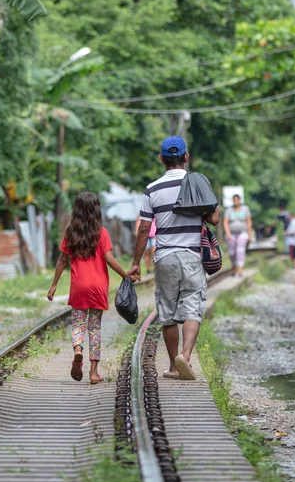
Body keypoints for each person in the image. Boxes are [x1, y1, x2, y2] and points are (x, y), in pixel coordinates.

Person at [130, 136, 219, 381]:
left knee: (167, 313)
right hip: (192, 255)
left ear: (161, 159)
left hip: (165, 257)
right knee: (193, 307)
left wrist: (136, 262)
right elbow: (215, 219)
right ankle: (186, 357)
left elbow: (144, 229)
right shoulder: (197, 183)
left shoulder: (152, 189)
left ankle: (172, 366)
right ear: (186, 157)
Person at [47, 192, 131, 384]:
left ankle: (78, 350)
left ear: (76, 210)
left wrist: (54, 285)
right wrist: (126, 276)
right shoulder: (102, 233)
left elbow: (62, 260)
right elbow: (109, 259)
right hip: (98, 287)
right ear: (96, 210)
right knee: (94, 328)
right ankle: (94, 373)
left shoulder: (70, 232)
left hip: (79, 287)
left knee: (78, 324)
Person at [222, 194, 252, 277]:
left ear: (239, 200)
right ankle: (234, 267)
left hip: (243, 233)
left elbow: (249, 222)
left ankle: (240, 269)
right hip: (231, 233)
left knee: (240, 250)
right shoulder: (229, 210)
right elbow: (225, 222)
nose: (236, 202)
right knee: (232, 252)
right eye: (234, 200)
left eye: (237, 200)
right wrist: (228, 233)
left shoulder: (245, 209)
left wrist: (250, 234)